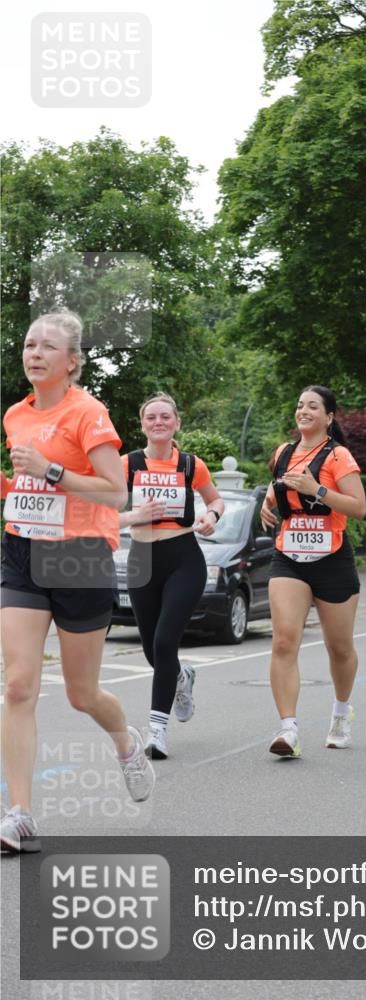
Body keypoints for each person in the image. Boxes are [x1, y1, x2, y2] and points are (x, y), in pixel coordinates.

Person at [1, 311, 154, 853]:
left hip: (81, 558)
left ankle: (125, 742)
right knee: (18, 684)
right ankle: (19, 814)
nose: (34, 353)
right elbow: (23, 486)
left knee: (81, 694)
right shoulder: (15, 415)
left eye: (48, 347)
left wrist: (51, 471)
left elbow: (116, 494)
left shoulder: (89, 413)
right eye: (28, 344)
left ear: (71, 362)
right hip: (21, 551)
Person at [260, 386, 366, 758]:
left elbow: (358, 507)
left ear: (329, 416)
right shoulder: (283, 453)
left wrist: (318, 490)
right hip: (288, 556)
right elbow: (277, 492)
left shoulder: (338, 456)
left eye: (313, 406)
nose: (303, 410)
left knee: (339, 648)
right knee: (284, 640)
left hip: (332, 558)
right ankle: (288, 729)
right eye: (300, 405)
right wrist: (266, 504)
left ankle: (340, 712)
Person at [118, 393, 225, 760]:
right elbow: (99, 512)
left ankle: (156, 731)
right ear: (143, 423)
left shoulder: (192, 464)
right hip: (142, 559)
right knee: (152, 649)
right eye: (152, 417)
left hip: (183, 558)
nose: (159, 422)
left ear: (177, 422)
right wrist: (134, 515)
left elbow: (215, 500)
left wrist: (212, 517)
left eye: (166, 416)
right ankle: (181, 678)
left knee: (165, 642)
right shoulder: (127, 464)